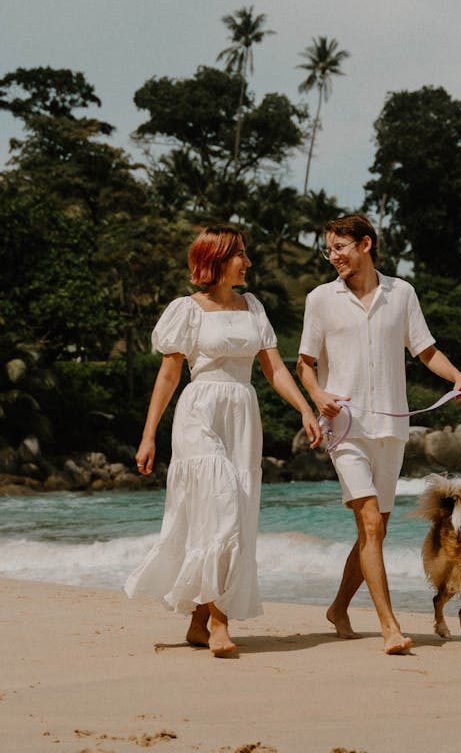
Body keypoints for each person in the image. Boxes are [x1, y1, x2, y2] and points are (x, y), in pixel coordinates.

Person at [125, 225, 321, 657]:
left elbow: (275, 370)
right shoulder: (186, 310)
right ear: (215, 260)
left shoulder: (253, 307)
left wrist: (305, 408)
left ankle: (198, 620)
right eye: (241, 255)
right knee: (222, 509)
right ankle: (218, 622)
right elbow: (169, 375)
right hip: (200, 413)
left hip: (243, 415)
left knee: (232, 513)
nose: (248, 263)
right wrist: (148, 434)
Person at [297, 213, 461, 654]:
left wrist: (458, 378)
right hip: (345, 429)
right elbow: (303, 362)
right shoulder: (320, 299)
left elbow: (425, 349)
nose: (333, 257)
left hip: (393, 428)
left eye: (339, 248)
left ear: (365, 244)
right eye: (329, 249)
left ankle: (339, 608)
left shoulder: (402, 294)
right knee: (372, 525)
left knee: (371, 533)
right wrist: (318, 394)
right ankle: (390, 626)